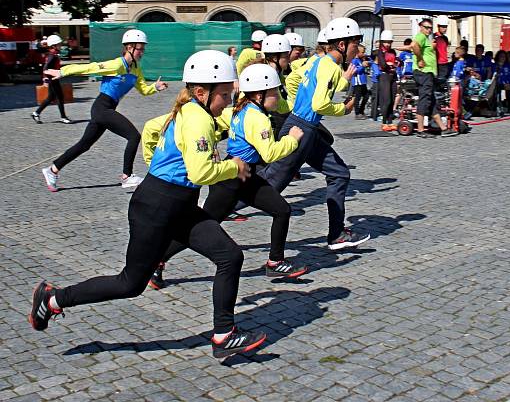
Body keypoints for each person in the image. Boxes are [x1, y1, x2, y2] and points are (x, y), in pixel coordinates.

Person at [29, 50, 267, 360]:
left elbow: (154, 129)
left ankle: (223, 334)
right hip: (156, 206)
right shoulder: (197, 119)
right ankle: (52, 299)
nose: (227, 101)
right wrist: (234, 167)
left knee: (230, 256)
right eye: (224, 95)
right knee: (130, 283)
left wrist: (157, 162)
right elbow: (200, 172)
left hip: (179, 204)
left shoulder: (194, 111)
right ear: (201, 92)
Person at [149, 62, 306, 289]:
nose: (277, 97)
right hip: (232, 179)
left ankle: (275, 261)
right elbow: (270, 153)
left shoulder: (244, 108)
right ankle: (158, 259)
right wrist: (292, 139)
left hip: (246, 175)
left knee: (282, 210)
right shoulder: (257, 117)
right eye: (274, 93)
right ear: (259, 94)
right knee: (204, 225)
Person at [263, 16, 370, 250]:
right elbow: (320, 103)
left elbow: (310, 83)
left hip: (304, 127)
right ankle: (208, 214)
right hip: (301, 130)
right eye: (355, 42)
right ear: (342, 45)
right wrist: (344, 109)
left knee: (340, 173)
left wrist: (344, 80)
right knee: (266, 187)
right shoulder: (329, 67)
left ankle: (336, 235)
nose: (358, 48)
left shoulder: (317, 62)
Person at [41, 29, 168, 191]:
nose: (142, 52)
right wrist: (63, 71)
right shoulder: (117, 64)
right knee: (134, 136)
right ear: (129, 47)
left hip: (106, 109)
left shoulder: (136, 69)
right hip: (102, 107)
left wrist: (155, 87)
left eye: (143, 48)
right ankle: (127, 176)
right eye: (139, 48)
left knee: (84, 145)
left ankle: (52, 170)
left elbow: (143, 90)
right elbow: (90, 68)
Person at [411, 17, 455, 137]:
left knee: (432, 101)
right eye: (426, 27)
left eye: (430, 28)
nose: (428, 30)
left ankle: (443, 128)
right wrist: (420, 59)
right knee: (424, 100)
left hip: (428, 73)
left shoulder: (426, 38)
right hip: (424, 73)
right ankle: (420, 130)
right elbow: (414, 45)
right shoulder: (420, 36)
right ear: (421, 27)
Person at [31, 34, 71, 124]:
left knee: (51, 97)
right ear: (54, 45)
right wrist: (45, 78)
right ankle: (63, 117)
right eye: (59, 44)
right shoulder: (52, 55)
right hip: (52, 79)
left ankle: (36, 113)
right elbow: (46, 67)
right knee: (59, 97)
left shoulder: (53, 54)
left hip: (53, 78)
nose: (60, 46)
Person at [375, 30, 398, 130]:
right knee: (387, 100)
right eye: (385, 42)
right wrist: (391, 65)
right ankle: (384, 122)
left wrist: (393, 64)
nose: (387, 44)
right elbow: (383, 65)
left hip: (392, 76)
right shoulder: (380, 52)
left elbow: (397, 62)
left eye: (389, 42)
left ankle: (390, 121)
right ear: (382, 42)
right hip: (384, 77)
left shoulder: (392, 52)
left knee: (392, 99)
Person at [350, 45, 369, 119]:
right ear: (357, 52)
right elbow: (354, 71)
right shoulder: (354, 61)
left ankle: (361, 111)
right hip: (357, 82)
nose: (364, 54)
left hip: (363, 82)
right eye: (362, 52)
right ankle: (357, 113)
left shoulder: (361, 60)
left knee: (366, 96)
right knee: (357, 98)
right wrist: (362, 66)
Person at [433, 18, 450, 83]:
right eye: (443, 27)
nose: (444, 29)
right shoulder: (434, 37)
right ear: (438, 26)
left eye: (446, 27)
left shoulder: (445, 38)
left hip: (445, 63)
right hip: (437, 63)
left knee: (443, 81)